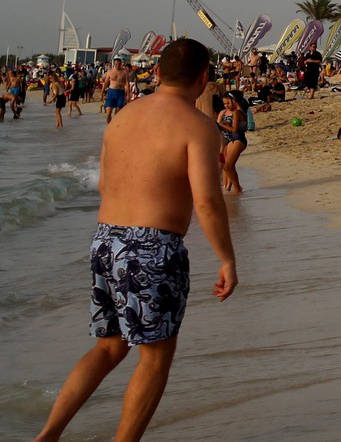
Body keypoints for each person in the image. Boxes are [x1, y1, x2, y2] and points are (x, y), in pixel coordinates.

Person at [35, 38, 237, 442]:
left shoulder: (124, 116)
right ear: (203, 78)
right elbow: (208, 201)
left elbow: (105, 184)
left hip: (105, 239)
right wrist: (227, 259)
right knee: (156, 356)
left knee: (109, 347)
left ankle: (48, 435)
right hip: (152, 247)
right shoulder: (199, 126)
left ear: (157, 73)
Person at [217, 93, 247, 194]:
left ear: (234, 101)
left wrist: (221, 125)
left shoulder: (236, 113)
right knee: (228, 165)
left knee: (227, 166)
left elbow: (234, 130)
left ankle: (237, 188)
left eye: (229, 102)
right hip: (235, 139)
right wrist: (227, 124)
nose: (227, 106)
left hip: (238, 140)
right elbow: (241, 127)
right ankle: (234, 187)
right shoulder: (241, 111)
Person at [104, 57, 129, 124]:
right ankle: (109, 125)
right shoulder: (110, 71)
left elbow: (127, 83)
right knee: (108, 112)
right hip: (111, 91)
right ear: (114, 64)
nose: (118, 66)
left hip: (120, 92)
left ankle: (114, 125)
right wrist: (102, 92)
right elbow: (106, 82)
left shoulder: (125, 71)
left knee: (117, 112)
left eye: (119, 64)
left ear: (121, 64)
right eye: (116, 64)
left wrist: (128, 95)